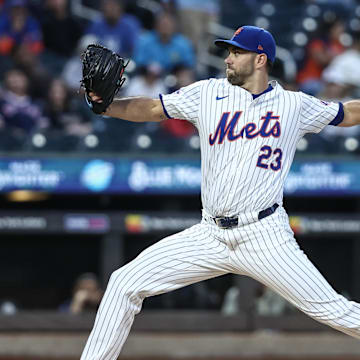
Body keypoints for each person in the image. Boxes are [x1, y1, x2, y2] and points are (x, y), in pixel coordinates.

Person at [80, 25, 360, 360]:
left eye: (236, 52)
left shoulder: (293, 104)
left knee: (334, 311)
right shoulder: (207, 94)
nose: (227, 58)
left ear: (260, 60)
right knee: (123, 283)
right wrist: (105, 107)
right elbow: (154, 109)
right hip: (209, 235)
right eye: (228, 51)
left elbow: (347, 114)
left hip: (265, 235)